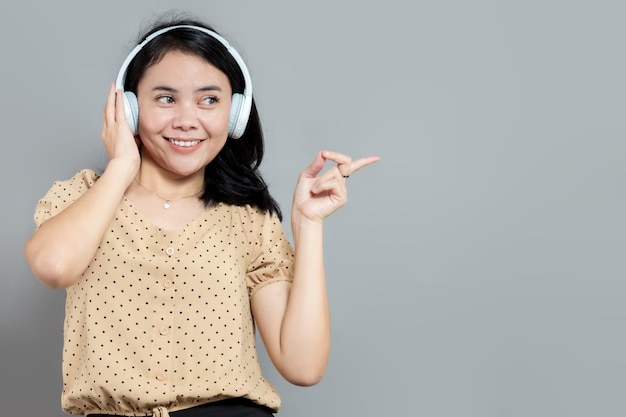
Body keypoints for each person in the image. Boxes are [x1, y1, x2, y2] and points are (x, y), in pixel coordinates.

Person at [24, 12, 379, 417]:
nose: (187, 120)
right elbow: (53, 267)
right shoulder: (84, 196)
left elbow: (303, 366)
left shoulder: (248, 219)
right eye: (166, 98)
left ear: (235, 114)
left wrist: (309, 225)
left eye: (209, 100)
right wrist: (122, 166)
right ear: (130, 108)